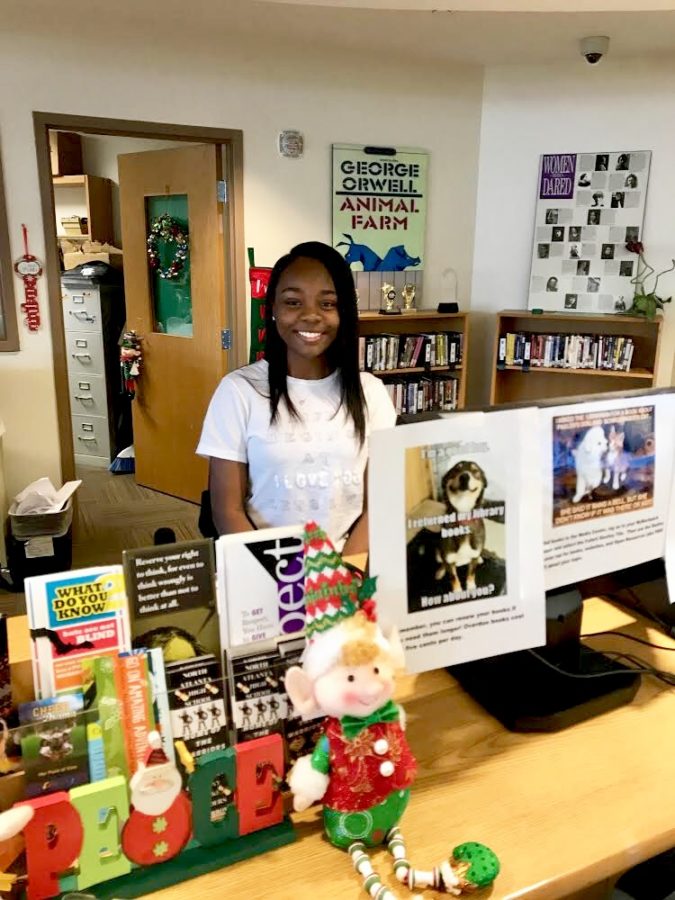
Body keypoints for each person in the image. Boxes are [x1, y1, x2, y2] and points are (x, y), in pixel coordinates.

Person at [197, 241, 397, 554]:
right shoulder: (238, 392)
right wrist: (283, 583)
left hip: (348, 576)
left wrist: (345, 578)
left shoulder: (370, 393)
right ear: (273, 309)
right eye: (293, 302)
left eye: (328, 304)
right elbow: (227, 511)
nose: (311, 316)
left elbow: (379, 506)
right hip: (266, 572)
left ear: (344, 311)